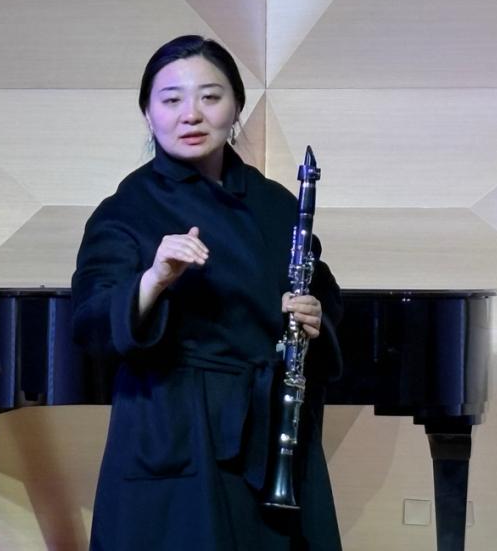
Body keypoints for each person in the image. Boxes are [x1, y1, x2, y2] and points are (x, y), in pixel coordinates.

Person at [71, 35, 343, 550]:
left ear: (236, 106)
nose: (191, 114)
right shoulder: (126, 208)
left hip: (270, 427)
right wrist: (154, 278)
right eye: (171, 99)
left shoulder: (275, 203)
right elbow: (88, 321)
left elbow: (325, 295)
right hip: (177, 428)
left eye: (210, 97)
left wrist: (314, 316)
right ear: (148, 113)